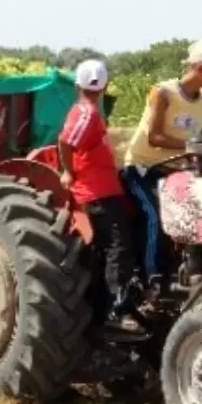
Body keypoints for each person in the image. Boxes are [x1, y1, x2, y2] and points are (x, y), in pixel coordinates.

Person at [121, 40, 202, 286]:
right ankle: (153, 280)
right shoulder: (163, 92)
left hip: (178, 172)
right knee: (156, 216)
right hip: (144, 169)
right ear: (200, 67)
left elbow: (197, 137)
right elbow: (154, 137)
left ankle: (198, 272)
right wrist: (192, 148)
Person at [59, 59, 145, 340]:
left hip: (104, 189)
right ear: (105, 85)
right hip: (96, 192)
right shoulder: (88, 113)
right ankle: (115, 312)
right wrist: (68, 172)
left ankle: (107, 308)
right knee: (119, 248)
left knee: (110, 249)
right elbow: (66, 141)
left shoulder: (88, 112)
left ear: (77, 85)